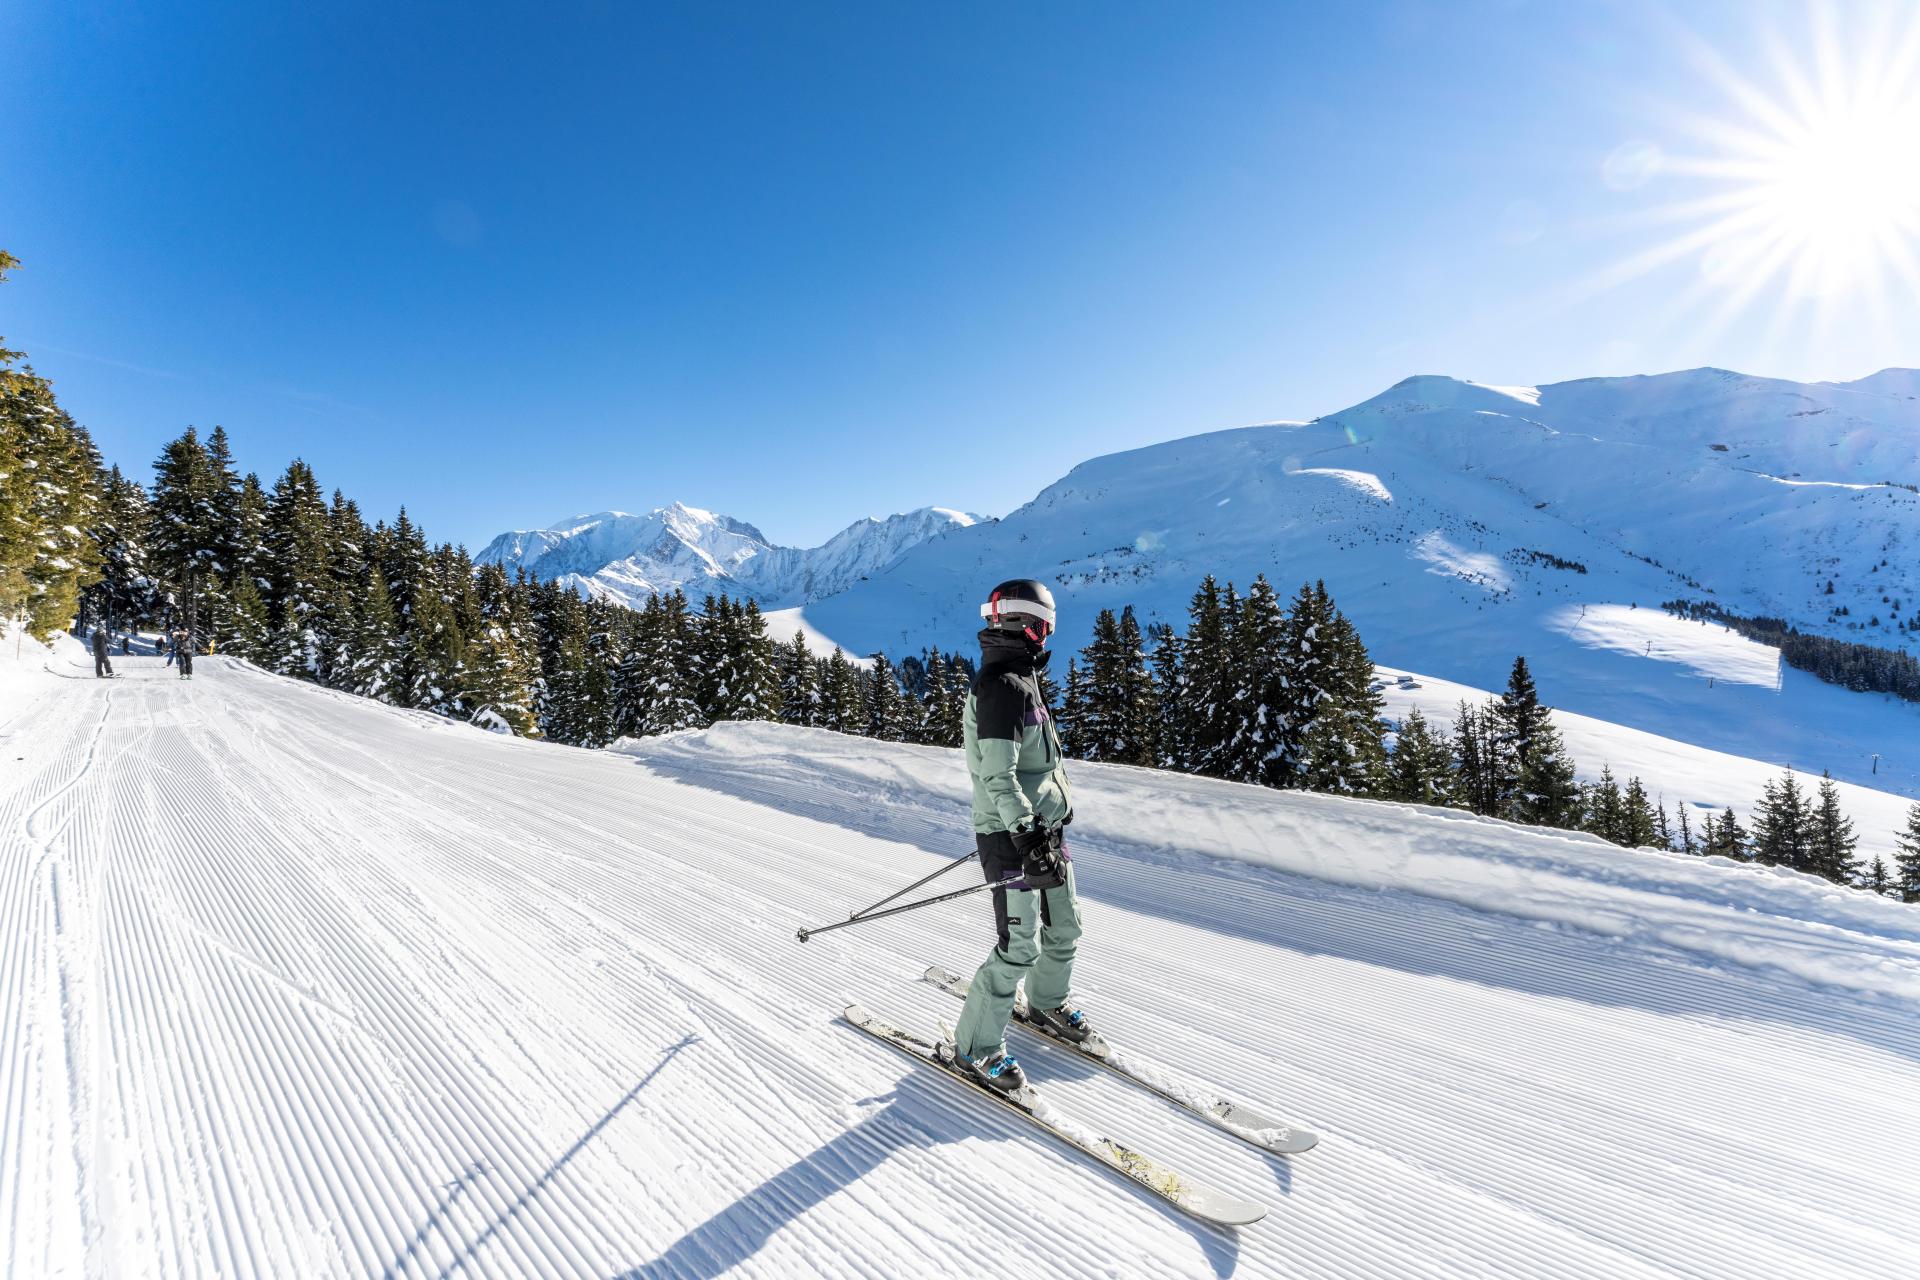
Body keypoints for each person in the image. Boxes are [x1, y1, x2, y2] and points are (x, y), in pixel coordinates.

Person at [948, 578, 1093, 1093]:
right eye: (1046, 625)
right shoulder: (1001, 687)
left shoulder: (1022, 678)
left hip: (1041, 830)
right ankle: (975, 1049)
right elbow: (998, 777)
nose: (1048, 635)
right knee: (1019, 946)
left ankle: (1048, 1004)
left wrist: (1047, 823)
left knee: (1066, 927)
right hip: (1013, 837)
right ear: (1028, 624)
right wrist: (1028, 837)